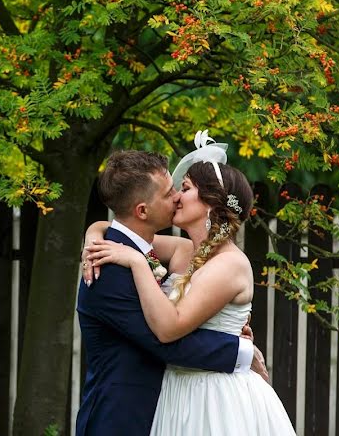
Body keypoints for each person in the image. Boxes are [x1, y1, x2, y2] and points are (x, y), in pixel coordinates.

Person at [82, 133, 295, 435]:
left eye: (183, 189)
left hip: (215, 398)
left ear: (210, 203)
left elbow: (169, 326)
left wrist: (136, 261)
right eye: (173, 191)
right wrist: (94, 231)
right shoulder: (172, 253)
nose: (177, 197)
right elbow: (127, 231)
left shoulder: (228, 264)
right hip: (155, 402)